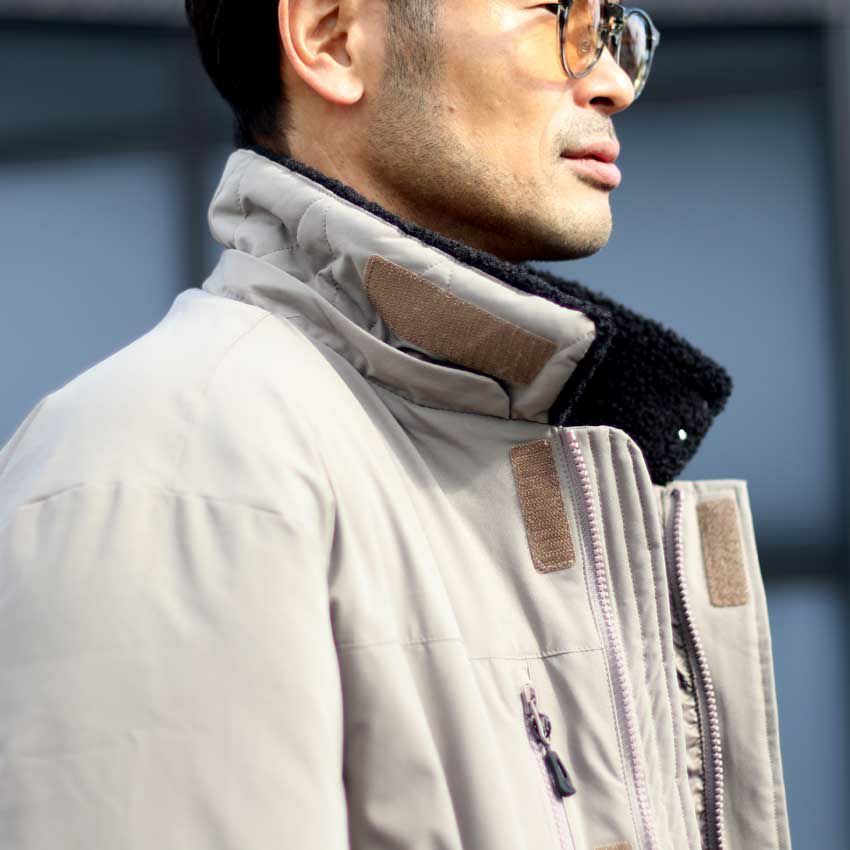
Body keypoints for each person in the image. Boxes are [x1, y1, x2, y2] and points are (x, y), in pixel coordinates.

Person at [0, 1, 793, 848]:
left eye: (615, 33)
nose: (611, 84)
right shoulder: (175, 465)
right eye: (555, 16)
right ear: (331, 39)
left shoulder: (507, 467)